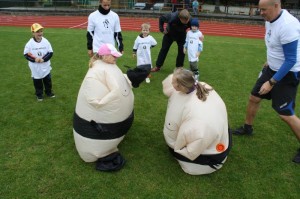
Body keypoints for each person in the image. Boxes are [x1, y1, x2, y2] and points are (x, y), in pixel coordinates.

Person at [233, 0, 300, 164]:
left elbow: (291, 59)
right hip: (272, 68)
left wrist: (271, 82)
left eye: (264, 9)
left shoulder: (288, 25)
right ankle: (248, 128)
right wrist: (269, 61)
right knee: (254, 98)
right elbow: (273, 45)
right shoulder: (269, 20)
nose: (260, 12)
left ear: (276, 5)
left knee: (285, 114)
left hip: (288, 73)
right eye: (259, 9)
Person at [73, 43, 134, 172]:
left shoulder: (109, 66)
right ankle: (100, 151)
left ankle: (111, 143)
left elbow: (120, 83)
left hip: (115, 125)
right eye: (113, 56)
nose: (116, 58)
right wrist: (111, 98)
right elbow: (96, 102)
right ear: (105, 56)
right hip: (96, 130)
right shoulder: (95, 73)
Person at [162, 68, 231, 175]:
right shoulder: (201, 85)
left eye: (173, 82)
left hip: (208, 152)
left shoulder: (196, 115)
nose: (171, 83)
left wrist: (178, 146)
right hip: (218, 137)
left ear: (181, 86)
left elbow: (197, 141)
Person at [23, 23, 55, 101]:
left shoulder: (46, 41)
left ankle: (48, 92)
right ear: (33, 33)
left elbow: (50, 52)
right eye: (37, 32)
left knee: (47, 80)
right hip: (35, 67)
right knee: (37, 81)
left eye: (41, 31)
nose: (40, 33)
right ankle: (39, 94)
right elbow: (26, 54)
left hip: (45, 65)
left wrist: (43, 59)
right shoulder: (29, 43)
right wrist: (35, 59)